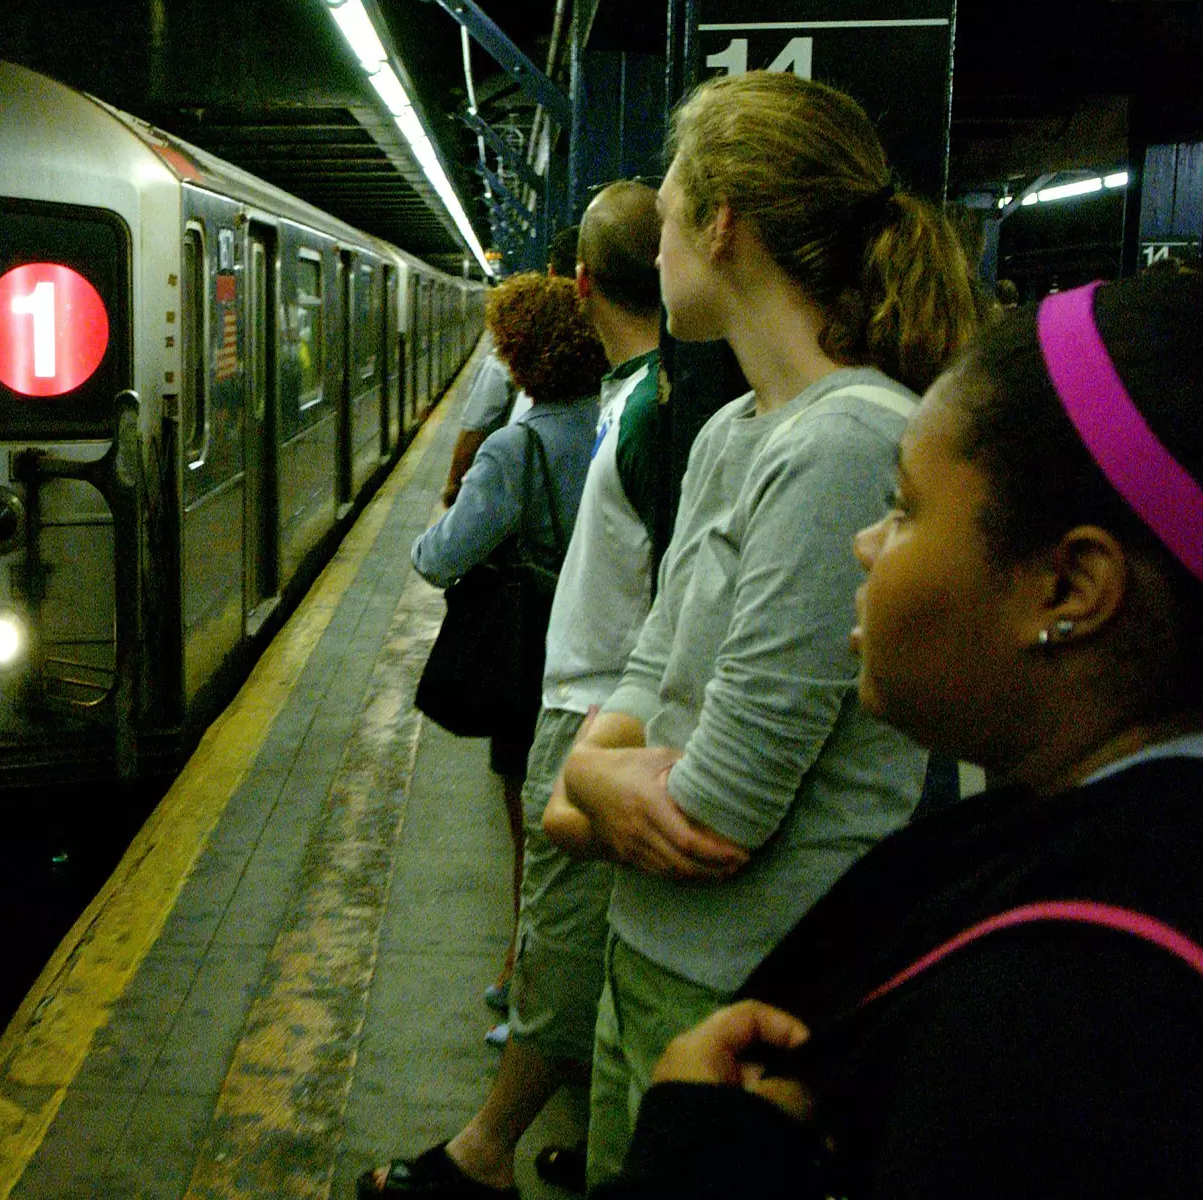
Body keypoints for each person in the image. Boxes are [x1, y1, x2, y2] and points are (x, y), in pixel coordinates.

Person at [596, 269, 1203, 1197]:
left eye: (903, 508)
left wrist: (701, 1160)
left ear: (1067, 590)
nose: (864, 543)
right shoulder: (1157, 866)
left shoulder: (1060, 1027)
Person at [544, 70, 985, 1187]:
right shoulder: (736, 430)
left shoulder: (842, 444)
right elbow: (649, 668)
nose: (657, 249)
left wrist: (586, 783)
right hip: (654, 953)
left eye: (674, 202)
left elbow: (717, 812)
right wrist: (600, 783)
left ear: (723, 223)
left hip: (745, 987)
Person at [365, 182, 665, 1199]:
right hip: (610, 699)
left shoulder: (582, 431)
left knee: (554, 898)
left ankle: (486, 1145)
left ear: (581, 291)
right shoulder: (644, 410)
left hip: (570, 696)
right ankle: (589, 1120)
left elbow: (440, 556)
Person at [414, 271, 607, 1020]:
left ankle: (529, 989)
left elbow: (437, 558)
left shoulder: (514, 449)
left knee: (536, 836)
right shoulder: (619, 424)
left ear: (520, 360)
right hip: (612, 655)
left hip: (534, 660)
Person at [441, 229, 580, 506]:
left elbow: (475, 428)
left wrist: (454, 488)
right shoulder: (603, 357)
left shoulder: (509, 357)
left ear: (550, 273)